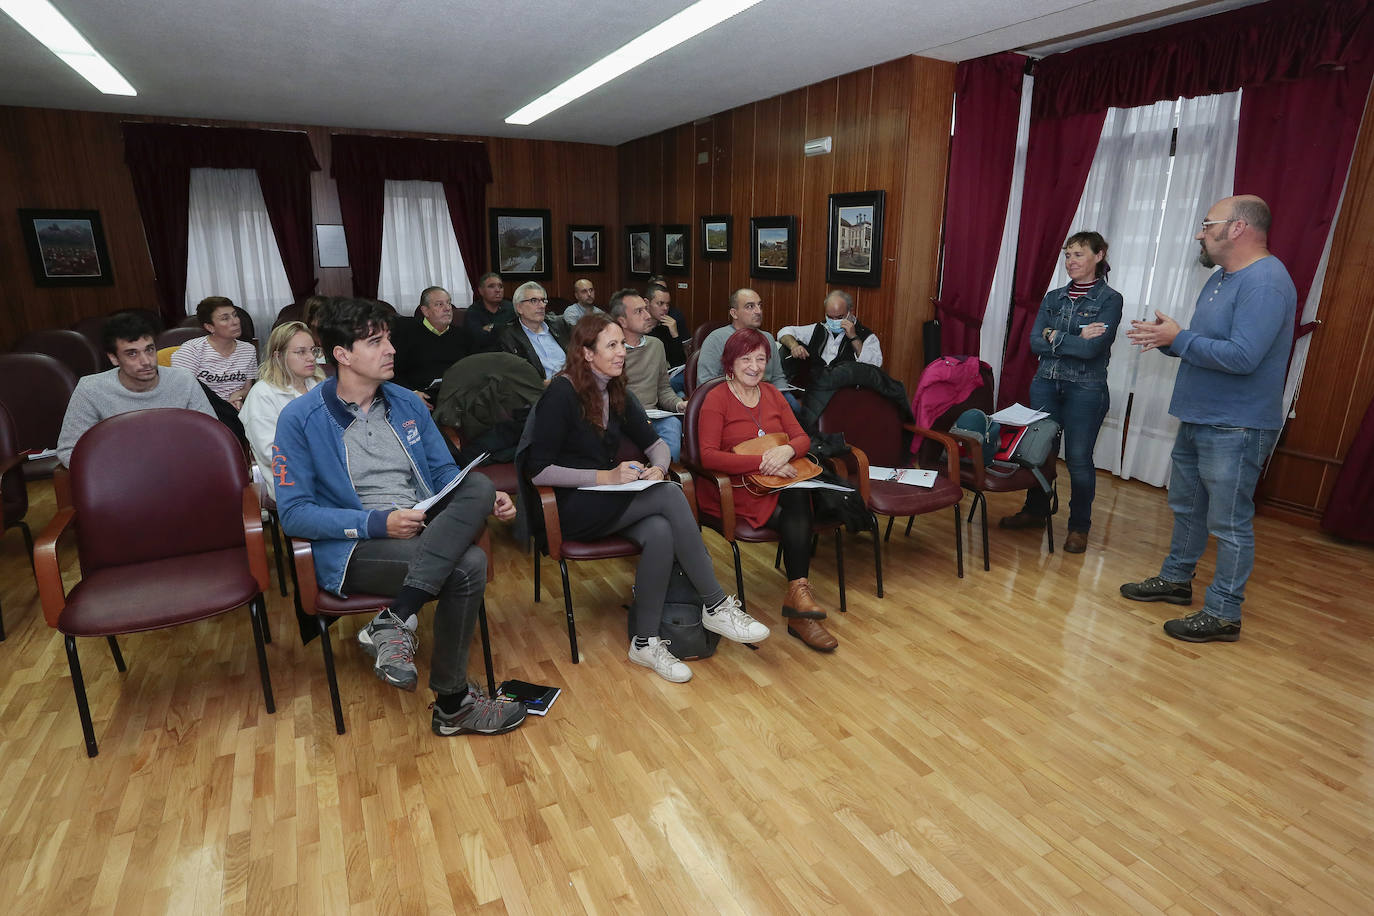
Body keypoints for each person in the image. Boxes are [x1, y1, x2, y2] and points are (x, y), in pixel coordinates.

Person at [275, 297, 527, 736]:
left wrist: (486, 501)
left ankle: (395, 619)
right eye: (375, 341)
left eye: (388, 338)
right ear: (342, 355)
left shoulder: (407, 404)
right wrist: (379, 523)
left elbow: (446, 475)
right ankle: (452, 703)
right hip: (357, 546)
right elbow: (295, 516)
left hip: (423, 529)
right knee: (468, 566)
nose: (391, 348)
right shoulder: (300, 419)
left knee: (482, 484)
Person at [524, 314, 768, 683]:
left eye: (622, 344)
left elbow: (656, 445)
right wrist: (605, 477)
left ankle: (645, 642)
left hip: (609, 500)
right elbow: (538, 470)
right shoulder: (562, 392)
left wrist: (657, 466)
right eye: (612, 345)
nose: (623, 351)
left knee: (659, 531)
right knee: (670, 495)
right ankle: (715, 604)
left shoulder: (616, 389)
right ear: (586, 353)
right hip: (570, 506)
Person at [1121, 195, 1296, 643]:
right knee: (1187, 507)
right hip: (1201, 415)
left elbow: (1243, 357)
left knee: (1230, 523)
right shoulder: (1222, 277)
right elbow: (1207, 345)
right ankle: (1177, 580)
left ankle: (1223, 613)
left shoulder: (1266, 282)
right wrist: (1169, 339)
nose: (1200, 232)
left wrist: (1181, 338)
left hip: (1237, 424)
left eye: (1207, 224)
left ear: (1237, 228)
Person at [696, 328, 838, 652]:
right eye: (746, 358)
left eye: (761, 359)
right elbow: (706, 456)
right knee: (798, 501)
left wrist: (785, 452)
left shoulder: (772, 394)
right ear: (730, 362)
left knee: (798, 492)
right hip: (735, 490)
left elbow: (801, 438)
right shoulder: (716, 398)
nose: (754, 366)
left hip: (777, 483)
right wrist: (763, 462)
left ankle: (799, 596)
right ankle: (801, 611)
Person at [999, 232, 1122, 554]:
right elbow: (1034, 343)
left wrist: (1056, 335)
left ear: (1099, 255)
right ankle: (1036, 511)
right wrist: (1074, 334)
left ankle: (1079, 527)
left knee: (1079, 460)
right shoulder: (1053, 298)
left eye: (1078, 255)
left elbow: (1093, 349)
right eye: (1067, 255)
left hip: (1086, 388)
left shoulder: (1110, 300)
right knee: (1039, 453)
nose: (1070, 262)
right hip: (1045, 382)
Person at [57, 311, 216, 466]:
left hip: (180, 469)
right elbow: (69, 450)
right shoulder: (90, 389)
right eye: (132, 354)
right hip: (120, 478)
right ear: (113, 358)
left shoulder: (183, 379)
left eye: (149, 349)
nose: (146, 361)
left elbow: (211, 435)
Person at [239, 320, 324, 498]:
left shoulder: (321, 385)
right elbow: (271, 453)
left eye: (313, 350)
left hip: (334, 474)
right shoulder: (262, 395)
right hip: (296, 485)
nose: (311, 357)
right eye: (301, 352)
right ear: (278, 356)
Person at [611, 288, 685, 460]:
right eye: (639, 311)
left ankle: (665, 476)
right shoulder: (611, 351)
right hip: (621, 417)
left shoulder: (656, 345)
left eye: (645, 309)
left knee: (673, 424)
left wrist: (678, 404)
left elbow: (663, 389)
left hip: (653, 416)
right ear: (622, 321)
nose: (647, 315)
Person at [171, 296, 258, 411]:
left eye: (235, 315)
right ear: (210, 327)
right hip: (202, 411)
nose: (235, 321)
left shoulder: (248, 350)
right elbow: (181, 391)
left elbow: (247, 388)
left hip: (236, 410)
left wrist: (237, 396)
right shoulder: (191, 350)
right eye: (225, 318)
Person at [778, 290, 884, 378]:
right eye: (830, 317)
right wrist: (794, 346)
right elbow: (785, 331)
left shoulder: (867, 336)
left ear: (850, 312)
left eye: (839, 317)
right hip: (816, 387)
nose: (834, 321)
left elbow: (874, 366)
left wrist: (854, 338)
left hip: (846, 390)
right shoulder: (819, 328)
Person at [392, 286, 470, 403]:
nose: (447, 308)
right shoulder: (406, 333)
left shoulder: (462, 335)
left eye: (448, 303)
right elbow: (393, 373)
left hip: (458, 396)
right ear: (425, 311)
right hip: (421, 397)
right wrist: (412, 393)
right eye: (439, 304)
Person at [497, 281, 571, 382]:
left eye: (543, 300)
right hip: (540, 391)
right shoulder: (508, 336)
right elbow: (515, 377)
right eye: (534, 300)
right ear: (519, 308)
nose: (541, 305)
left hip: (574, 383)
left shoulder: (560, 324)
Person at [464, 272, 515, 350]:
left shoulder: (511, 308)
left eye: (500, 286)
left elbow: (516, 334)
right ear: (481, 291)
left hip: (509, 353)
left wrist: (491, 327)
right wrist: (504, 328)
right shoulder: (473, 311)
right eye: (491, 286)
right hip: (483, 356)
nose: (498, 290)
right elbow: (478, 339)